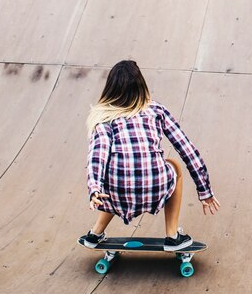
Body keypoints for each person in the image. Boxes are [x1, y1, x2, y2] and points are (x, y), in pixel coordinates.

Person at [82, 60, 220, 251]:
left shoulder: (104, 117)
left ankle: (94, 234)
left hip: (116, 194)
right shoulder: (156, 110)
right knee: (174, 166)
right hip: (155, 188)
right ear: (141, 85)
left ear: (110, 89)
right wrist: (205, 192)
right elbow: (186, 148)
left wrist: (94, 188)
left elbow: (99, 153)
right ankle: (172, 236)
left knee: (113, 173)